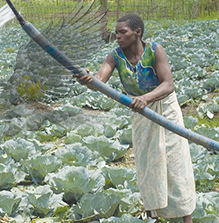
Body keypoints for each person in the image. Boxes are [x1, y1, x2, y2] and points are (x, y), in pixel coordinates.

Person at [75, 13, 196, 222]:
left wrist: (145, 98)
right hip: (141, 113)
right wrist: (88, 80)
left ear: (137, 33)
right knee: (147, 163)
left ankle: (186, 218)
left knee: (175, 163)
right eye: (117, 33)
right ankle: (152, 216)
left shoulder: (155, 50)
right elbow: (100, 81)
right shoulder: (115, 56)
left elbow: (168, 84)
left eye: (123, 32)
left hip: (164, 109)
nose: (118, 36)